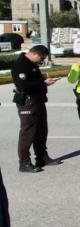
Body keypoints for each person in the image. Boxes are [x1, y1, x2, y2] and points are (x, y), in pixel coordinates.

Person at [12, 45, 61, 173]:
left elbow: (34, 80)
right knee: (28, 133)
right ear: (35, 54)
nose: (42, 61)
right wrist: (44, 83)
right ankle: (24, 163)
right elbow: (23, 86)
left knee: (41, 131)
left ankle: (42, 158)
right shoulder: (20, 65)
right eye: (41, 58)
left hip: (38, 101)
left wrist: (45, 80)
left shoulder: (32, 64)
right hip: (27, 103)